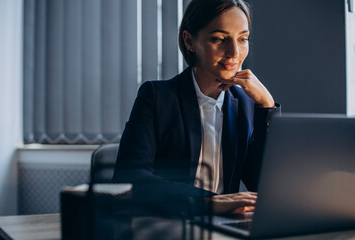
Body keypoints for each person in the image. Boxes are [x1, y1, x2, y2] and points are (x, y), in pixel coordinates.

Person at [113, 0, 280, 216]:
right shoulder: (156, 97)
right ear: (190, 41)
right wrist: (207, 202)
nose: (234, 52)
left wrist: (266, 107)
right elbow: (129, 178)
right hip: (169, 223)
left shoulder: (246, 104)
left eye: (243, 39)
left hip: (225, 227)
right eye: (219, 39)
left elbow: (265, 185)